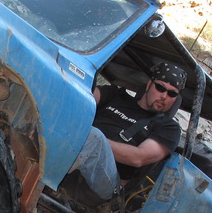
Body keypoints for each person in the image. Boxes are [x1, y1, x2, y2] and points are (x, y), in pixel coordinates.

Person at [69, 61, 187, 200]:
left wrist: (89, 138)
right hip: (74, 148)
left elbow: (138, 157)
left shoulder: (168, 128)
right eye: (160, 88)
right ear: (149, 84)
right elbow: (82, 96)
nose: (164, 96)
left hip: (109, 182)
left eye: (172, 94)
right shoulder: (116, 95)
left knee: (94, 137)